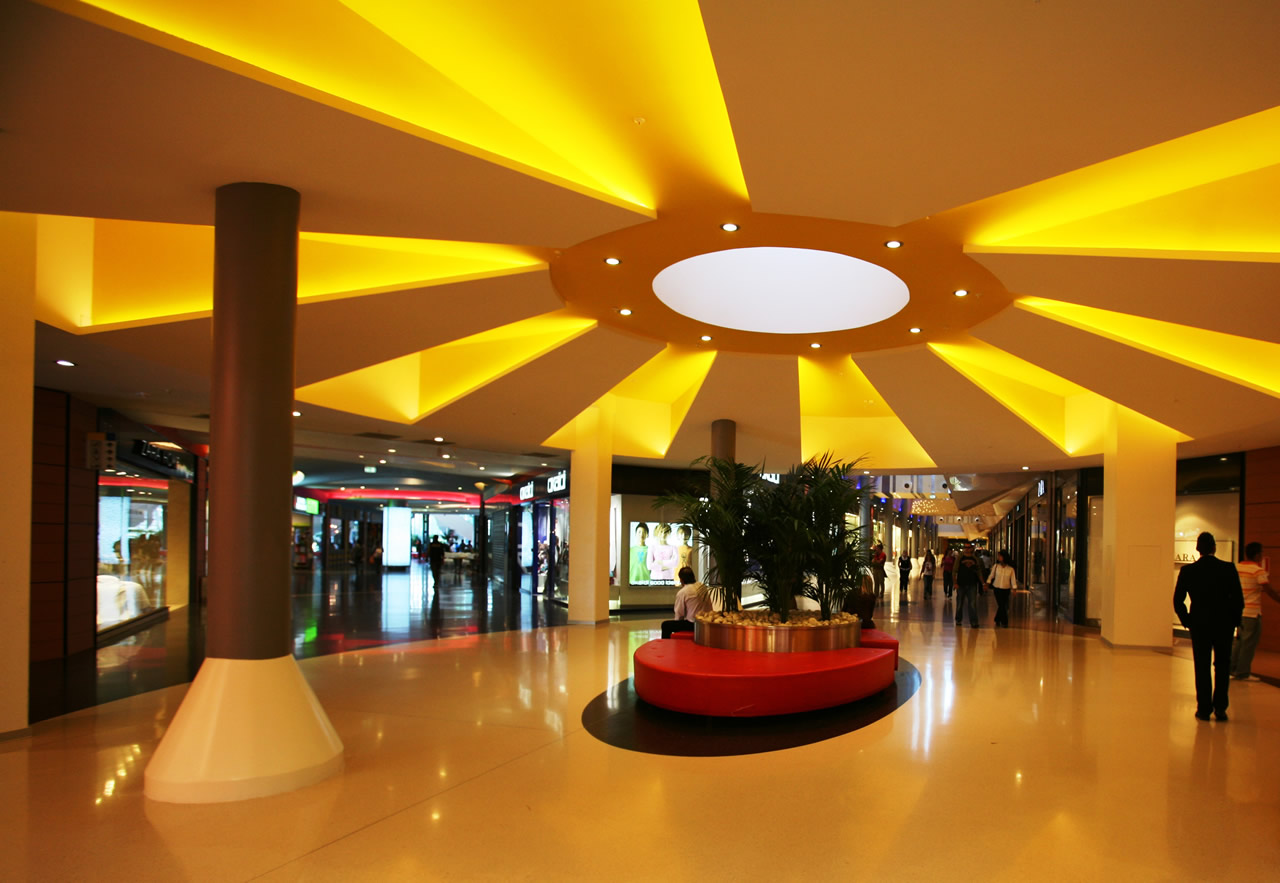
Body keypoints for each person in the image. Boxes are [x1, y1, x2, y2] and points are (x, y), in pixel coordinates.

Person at [1173, 532, 1244, 721]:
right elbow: (1238, 599)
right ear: (1214, 547)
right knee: (1222, 665)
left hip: (1200, 624)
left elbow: (1178, 600)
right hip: (1224, 624)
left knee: (1202, 665)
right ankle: (1220, 707)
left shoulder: (1188, 571)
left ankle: (1204, 708)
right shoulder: (1228, 569)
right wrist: (1235, 621)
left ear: (1198, 549)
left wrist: (1187, 620)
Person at [1232, 542, 1280, 680]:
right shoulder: (1258, 571)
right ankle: (1243, 672)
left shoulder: (1236, 567)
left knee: (1239, 641)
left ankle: (1231, 668)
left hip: (1238, 611)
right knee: (1249, 643)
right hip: (1252, 613)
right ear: (1258, 555)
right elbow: (1269, 590)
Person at [662, 567, 712, 638]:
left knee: (665, 625)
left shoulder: (683, 592)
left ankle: (666, 644)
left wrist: (677, 627)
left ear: (681, 580)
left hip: (693, 624)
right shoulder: (702, 586)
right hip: (707, 620)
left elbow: (679, 614)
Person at [953, 543, 984, 627]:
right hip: (961, 584)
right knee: (960, 603)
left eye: (968, 547)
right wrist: (955, 583)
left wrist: (983, 583)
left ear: (971, 548)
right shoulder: (960, 558)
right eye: (965, 547)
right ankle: (958, 619)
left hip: (972, 584)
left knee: (972, 604)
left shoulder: (975, 559)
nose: (966, 549)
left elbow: (979, 571)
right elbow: (954, 571)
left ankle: (974, 622)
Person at [986, 549, 1018, 627]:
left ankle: (997, 619)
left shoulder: (1010, 569)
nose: (998, 557)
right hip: (997, 588)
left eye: (1000, 556)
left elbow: (1013, 579)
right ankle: (1005, 622)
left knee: (1002, 605)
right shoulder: (996, 566)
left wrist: (1014, 588)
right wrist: (987, 583)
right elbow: (991, 575)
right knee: (1001, 604)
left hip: (1006, 589)